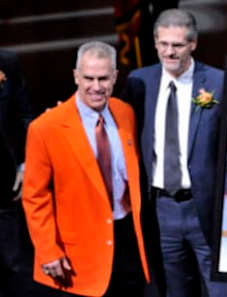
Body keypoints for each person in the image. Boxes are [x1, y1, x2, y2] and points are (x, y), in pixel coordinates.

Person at [22, 41, 150, 297]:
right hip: (78, 252)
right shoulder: (45, 127)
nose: (96, 87)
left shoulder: (125, 113)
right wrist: (47, 250)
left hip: (127, 242)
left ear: (115, 77)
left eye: (103, 78)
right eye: (88, 78)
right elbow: (35, 197)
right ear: (75, 76)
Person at [122, 8, 227, 297]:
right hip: (161, 211)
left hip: (205, 208)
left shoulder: (219, 82)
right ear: (155, 43)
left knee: (222, 290)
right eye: (163, 44)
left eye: (178, 45)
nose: (169, 52)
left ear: (193, 44)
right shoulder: (138, 82)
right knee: (174, 290)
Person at [0, 50, 34, 297]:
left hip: (4, 185)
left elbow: (26, 118)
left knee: (11, 269)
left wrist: (25, 165)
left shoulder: (6, 63)